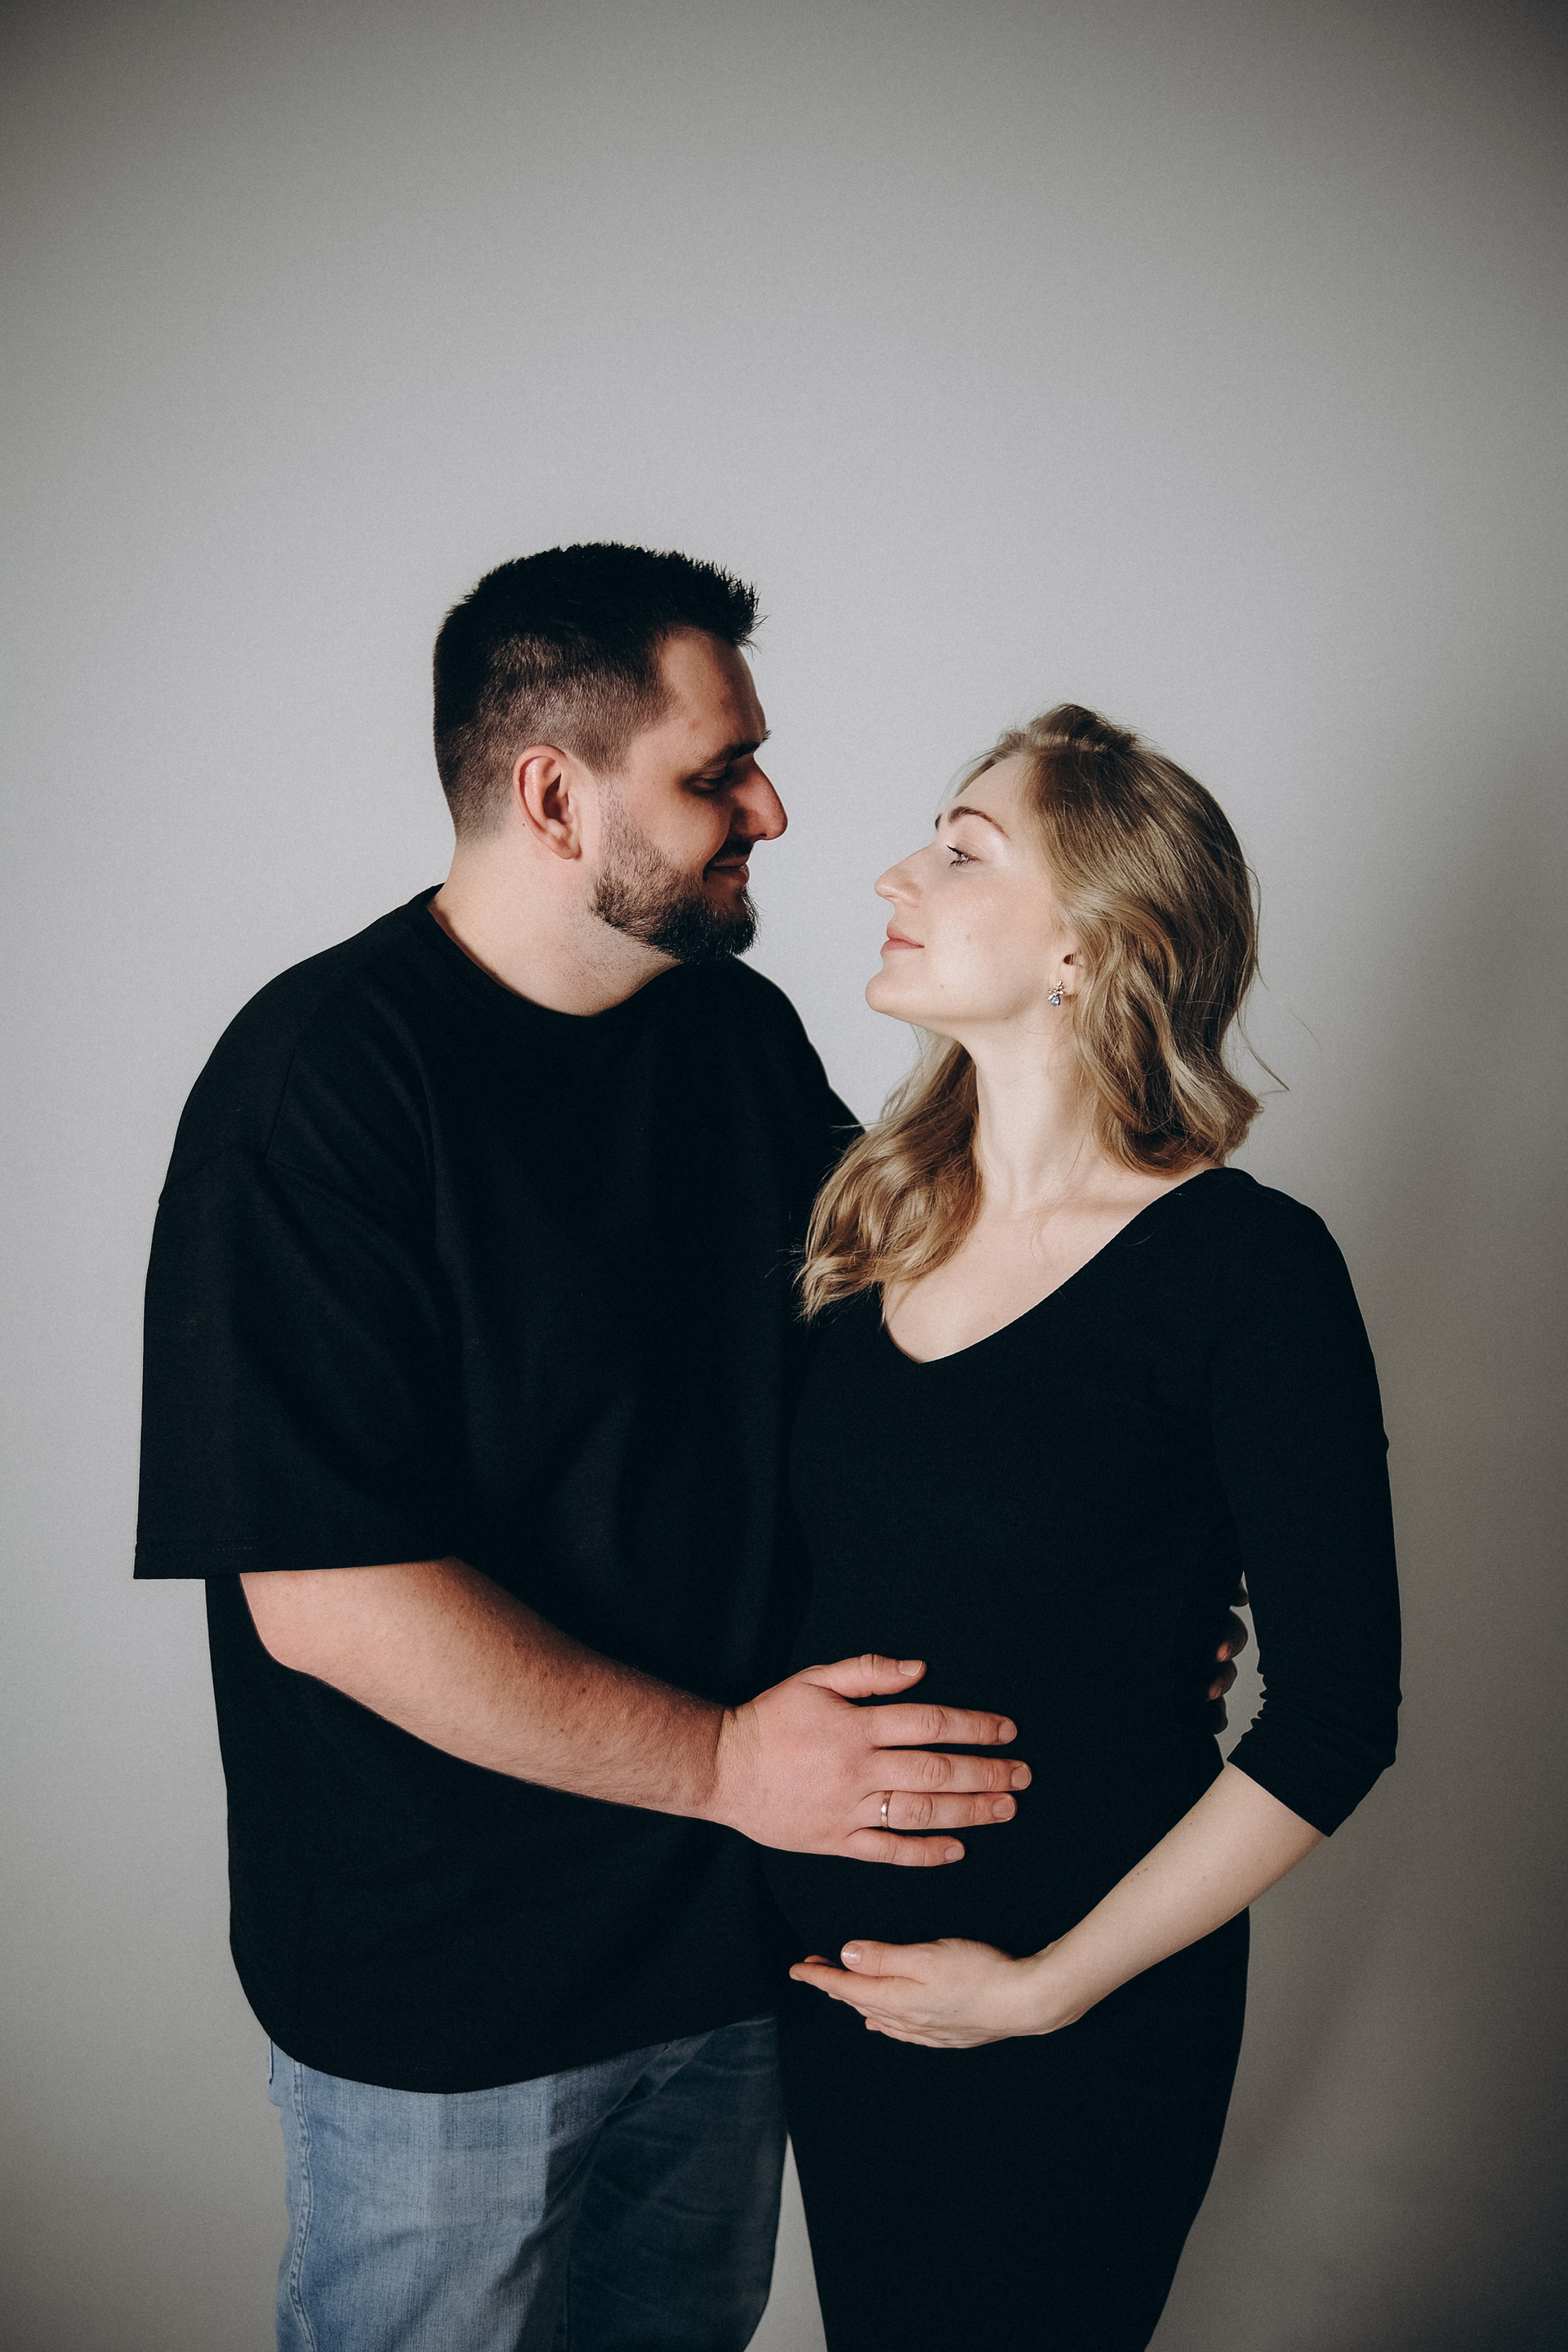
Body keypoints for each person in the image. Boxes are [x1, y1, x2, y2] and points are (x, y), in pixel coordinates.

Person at [135, 552, 1244, 2352]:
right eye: (718, 773)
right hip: (451, 1994)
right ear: (553, 797)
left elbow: (905, 1385)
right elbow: (331, 1602)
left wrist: (1115, 1604)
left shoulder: (734, 1036)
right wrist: (727, 1764)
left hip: (731, 1950)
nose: (774, 812)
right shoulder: (319, 1090)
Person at [767, 705, 1402, 2351]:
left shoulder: (1248, 1271)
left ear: (1088, 946)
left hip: (1082, 2010)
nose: (897, 875)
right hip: (835, 1999)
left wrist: (1039, 1991)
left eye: (961, 851)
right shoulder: (867, 1229)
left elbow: (1337, 1719)